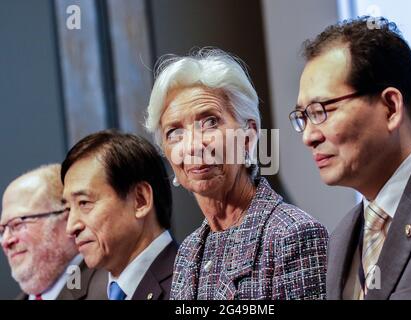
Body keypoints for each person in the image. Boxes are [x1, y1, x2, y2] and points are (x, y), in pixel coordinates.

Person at [146, 48, 328, 300]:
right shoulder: (187, 252)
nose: (192, 146)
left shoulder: (294, 234)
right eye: (174, 132)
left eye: (210, 122)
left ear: (248, 135)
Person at [290, 16, 411, 299]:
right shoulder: (341, 238)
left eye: (321, 111)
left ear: (390, 108)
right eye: (304, 117)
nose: (308, 136)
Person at [61, 130, 177, 300]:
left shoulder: (194, 286)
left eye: (84, 203)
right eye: (68, 209)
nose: (71, 228)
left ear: (140, 200)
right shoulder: (83, 294)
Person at [1, 164, 107, 300]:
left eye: (17, 224)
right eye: (2, 230)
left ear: (67, 218)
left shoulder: (111, 289)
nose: (5, 241)